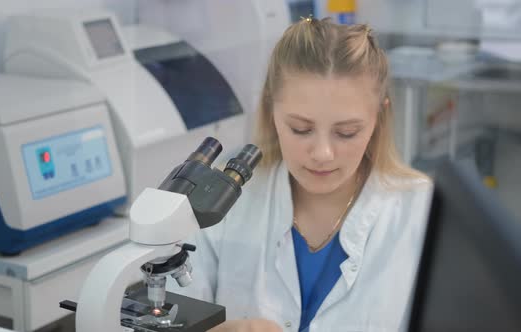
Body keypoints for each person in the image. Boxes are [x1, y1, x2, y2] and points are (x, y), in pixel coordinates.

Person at [168, 17, 432, 332]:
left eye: (346, 133)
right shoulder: (221, 205)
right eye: (301, 129)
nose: (322, 153)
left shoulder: (423, 212)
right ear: (270, 110)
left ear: (379, 117)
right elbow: (171, 315)